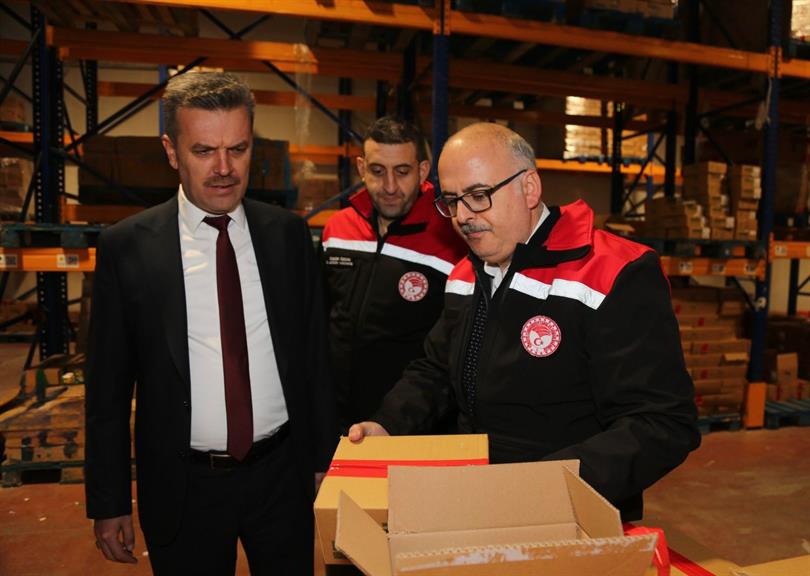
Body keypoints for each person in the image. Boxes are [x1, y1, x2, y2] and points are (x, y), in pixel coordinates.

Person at [349, 122, 700, 521]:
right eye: (452, 201)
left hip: (571, 514)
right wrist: (388, 424)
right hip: (479, 500)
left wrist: (544, 484)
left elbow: (663, 423)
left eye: (478, 196)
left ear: (530, 188)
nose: (463, 217)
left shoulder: (614, 272)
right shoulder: (467, 273)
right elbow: (436, 370)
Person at [84, 72, 337, 575]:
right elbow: (107, 390)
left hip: (281, 478)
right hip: (184, 487)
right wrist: (108, 500)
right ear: (171, 151)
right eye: (203, 151)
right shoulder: (127, 247)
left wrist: (322, 461)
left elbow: (314, 358)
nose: (224, 168)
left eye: (237, 149)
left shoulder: (287, 236)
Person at [321, 117, 466, 431]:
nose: (389, 187)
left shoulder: (452, 240)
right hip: (336, 415)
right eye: (377, 171)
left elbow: (452, 348)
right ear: (361, 168)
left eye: (402, 172)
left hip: (411, 422)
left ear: (422, 171)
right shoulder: (337, 229)